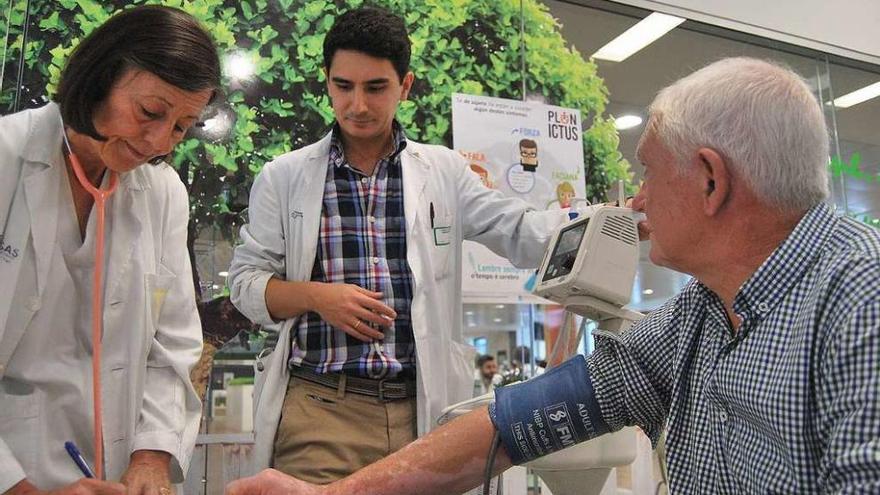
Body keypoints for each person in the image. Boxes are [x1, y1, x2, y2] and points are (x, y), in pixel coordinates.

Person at [226, 57, 880, 494]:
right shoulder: (697, 316)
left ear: (710, 180)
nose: (638, 203)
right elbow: (523, 420)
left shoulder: (860, 303)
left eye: (648, 174)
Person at [227, 6, 566, 484]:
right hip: (322, 410)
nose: (358, 105)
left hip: (420, 413)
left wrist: (611, 223)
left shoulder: (443, 171)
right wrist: (317, 297)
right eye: (343, 86)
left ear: (405, 86)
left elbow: (521, 231)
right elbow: (245, 284)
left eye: (376, 87)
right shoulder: (285, 177)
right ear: (326, 81)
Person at [0, 6, 219, 494]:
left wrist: (152, 457)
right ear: (99, 78)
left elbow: (173, 346)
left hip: (114, 475)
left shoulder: (162, 193)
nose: (159, 141)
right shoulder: (6, 160)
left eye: (182, 126)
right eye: (150, 112)